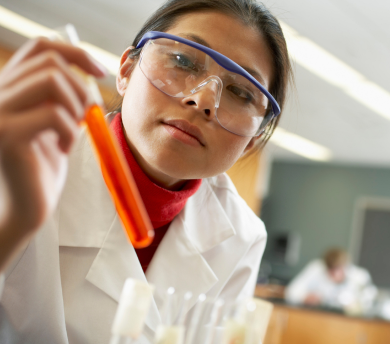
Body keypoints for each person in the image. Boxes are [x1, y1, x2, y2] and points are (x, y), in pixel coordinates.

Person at [0, 0, 293, 342]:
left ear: (252, 142)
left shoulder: (242, 237)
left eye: (240, 92)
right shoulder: (18, 164)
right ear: (125, 72)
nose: (204, 101)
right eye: (183, 60)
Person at [285, 248, 376, 310]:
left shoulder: (360, 276)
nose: (335, 274)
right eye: (331, 270)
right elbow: (291, 291)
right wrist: (304, 297)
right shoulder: (316, 268)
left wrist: (355, 306)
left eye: (338, 269)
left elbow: (370, 303)